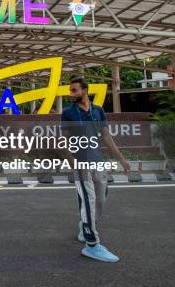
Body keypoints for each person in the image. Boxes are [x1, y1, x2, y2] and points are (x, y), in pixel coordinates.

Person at [61, 76, 130, 263]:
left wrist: (122, 159)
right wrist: (72, 161)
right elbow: (63, 140)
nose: (71, 93)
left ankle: (86, 227)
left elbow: (107, 137)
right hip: (81, 164)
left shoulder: (98, 111)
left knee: (100, 199)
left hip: (98, 162)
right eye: (70, 90)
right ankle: (92, 245)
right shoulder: (68, 113)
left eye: (74, 89)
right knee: (89, 200)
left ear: (85, 90)